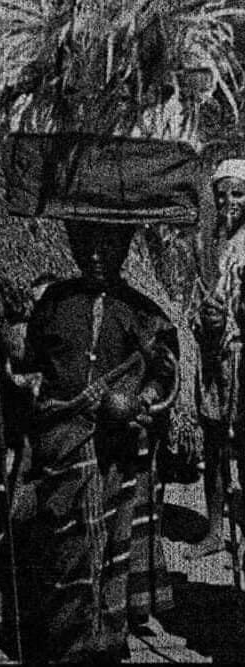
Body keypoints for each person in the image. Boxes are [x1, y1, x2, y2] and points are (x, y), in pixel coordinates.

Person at [19, 221, 179, 664]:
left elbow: (166, 372)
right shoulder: (54, 302)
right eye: (85, 244)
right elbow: (30, 365)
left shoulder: (143, 312)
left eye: (107, 245)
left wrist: (143, 398)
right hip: (59, 442)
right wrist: (0, 339)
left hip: (113, 447)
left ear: (124, 248)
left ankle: (101, 639)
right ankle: (66, 637)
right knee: (63, 541)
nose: (94, 255)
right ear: (73, 245)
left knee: (106, 544)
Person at [189, 159, 245, 559]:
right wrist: (205, 318)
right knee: (214, 445)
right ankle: (213, 531)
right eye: (221, 195)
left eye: (238, 193)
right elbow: (192, 299)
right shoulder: (207, 244)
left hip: (242, 356)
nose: (229, 202)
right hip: (213, 357)